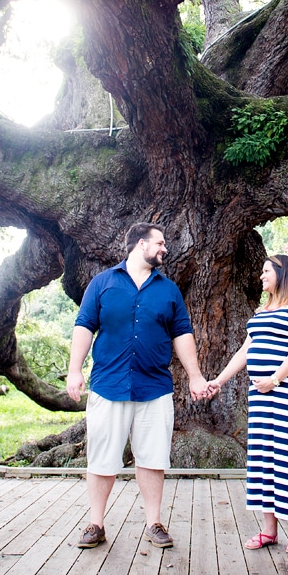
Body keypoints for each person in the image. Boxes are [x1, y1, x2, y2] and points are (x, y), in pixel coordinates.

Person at [67, 222, 209, 549]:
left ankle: (154, 522)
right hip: (108, 385)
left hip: (154, 388)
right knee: (101, 458)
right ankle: (95, 524)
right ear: (140, 244)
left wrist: (196, 375)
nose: (165, 248)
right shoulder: (102, 284)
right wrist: (75, 370)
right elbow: (84, 327)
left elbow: (182, 334)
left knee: (153, 458)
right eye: (159, 243)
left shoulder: (168, 290)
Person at [208, 254, 288, 554]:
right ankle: (269, 530)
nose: (261, 276)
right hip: (262, 396)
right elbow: (245, 350)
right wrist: (219, 380)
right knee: (264, 457)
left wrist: (275, 380)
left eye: (266, 271)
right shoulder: (260, 311)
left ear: (283, 273)